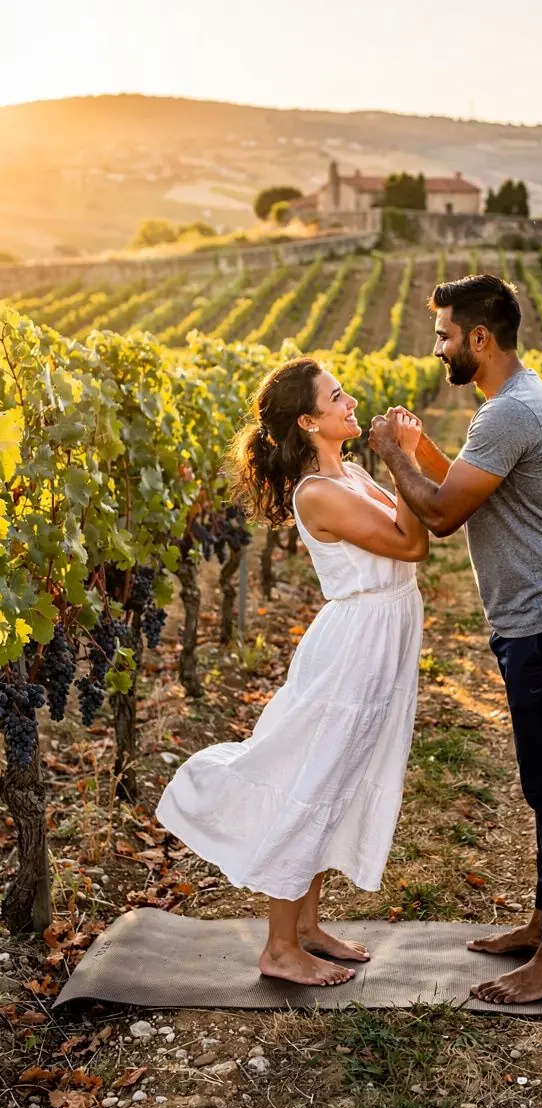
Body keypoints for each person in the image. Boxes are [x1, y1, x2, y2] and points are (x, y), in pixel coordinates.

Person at [157, 356, 427, 987]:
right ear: (309, 421)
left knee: (343, 774)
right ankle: (280, 946)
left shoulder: (351, 471)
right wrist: (402, 460)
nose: (350, 400)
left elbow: (415, 529)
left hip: (382, 636)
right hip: (356, 644)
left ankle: (306, 927)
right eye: (338, 397)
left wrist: (400, 462)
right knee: (316, 777)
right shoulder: (321, 492)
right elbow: (413, 543)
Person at [369, 274, 542, 1005]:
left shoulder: (508, 413)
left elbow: (440, 515)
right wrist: (420, 447)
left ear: (479, 338)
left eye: (443, 335)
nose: (436, 348)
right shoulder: (516, 401)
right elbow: (469, 484)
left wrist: (390, 454)